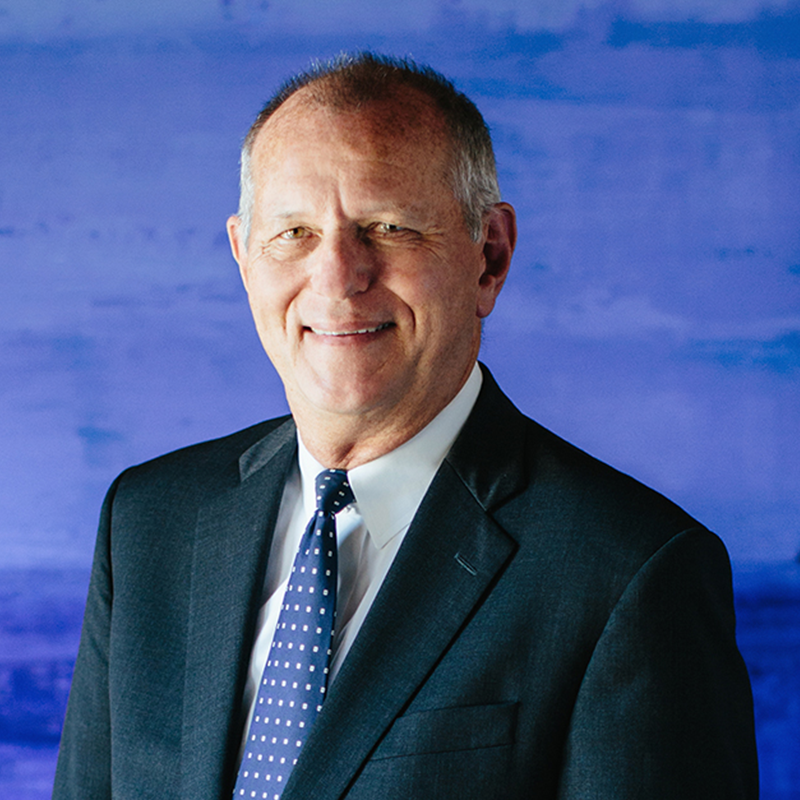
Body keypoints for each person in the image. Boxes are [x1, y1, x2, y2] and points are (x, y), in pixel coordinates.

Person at [53, 53, 758, 800]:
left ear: (489, 257)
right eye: (293, 232)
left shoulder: (630, 573)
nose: (338, 277)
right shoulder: (149, 522)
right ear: (243, 257)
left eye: (388, 227)